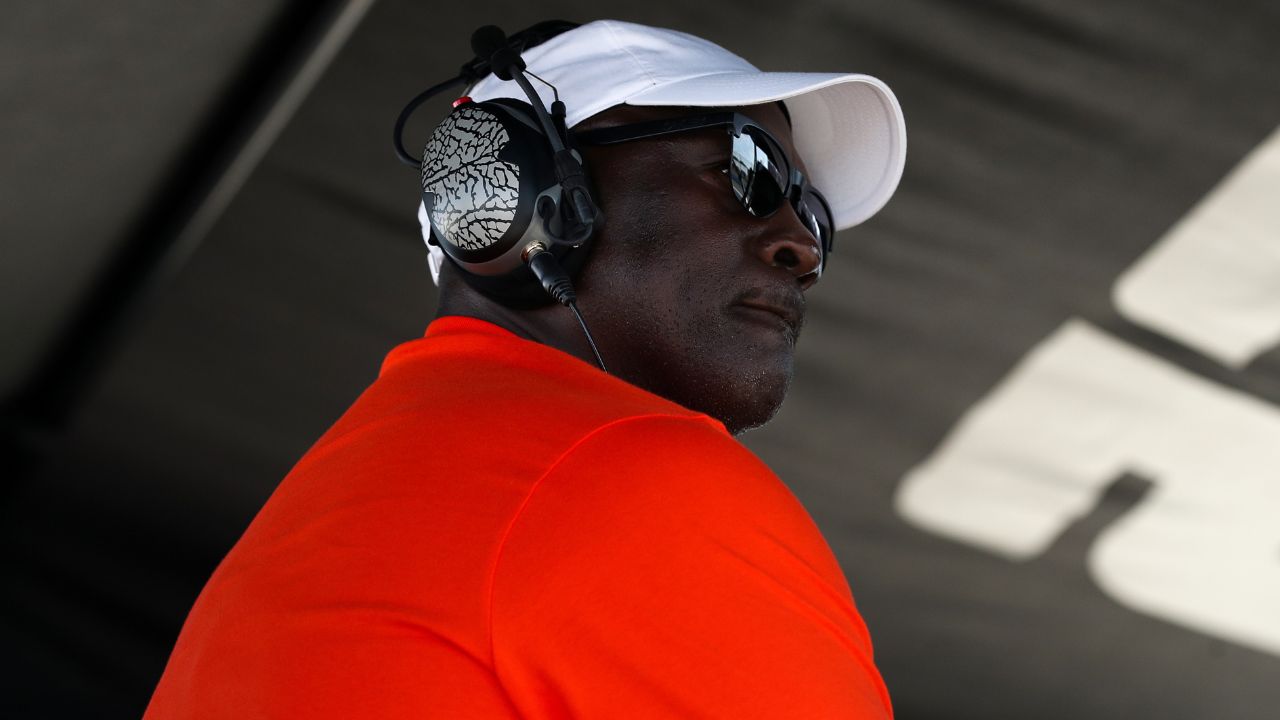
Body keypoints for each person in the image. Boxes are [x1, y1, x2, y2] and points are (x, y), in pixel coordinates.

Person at [144, 18, 906, 719]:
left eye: (813, 217)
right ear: (514, 189)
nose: (801, 250)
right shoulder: (633, 475)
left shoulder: (362, 485)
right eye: (750, 170)